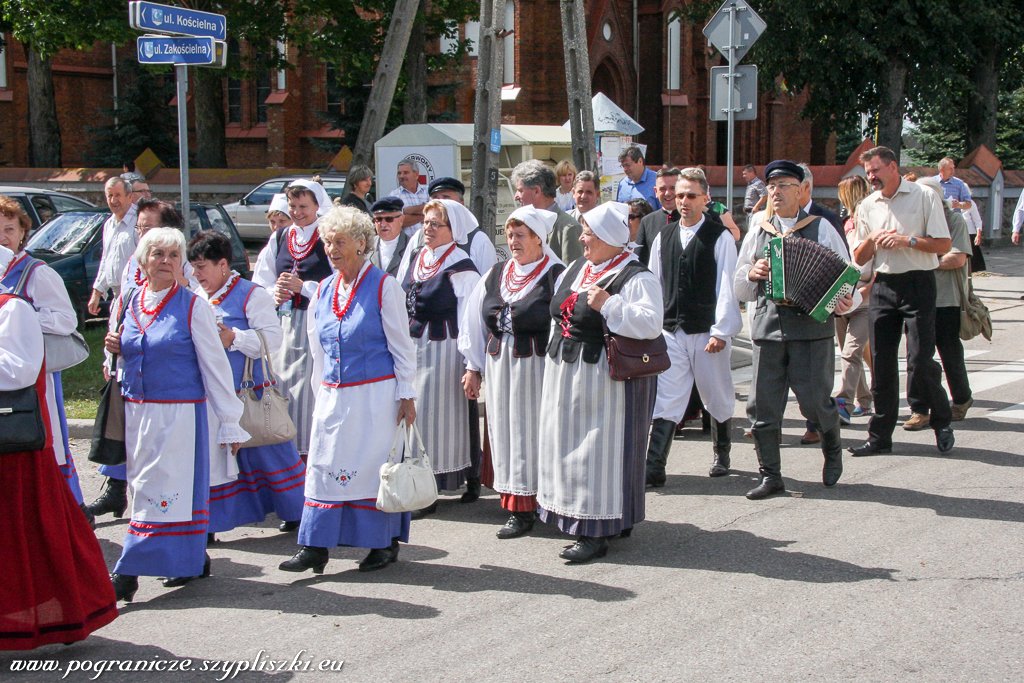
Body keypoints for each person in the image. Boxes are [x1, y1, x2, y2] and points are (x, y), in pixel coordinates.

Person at [104, 228, 248, 602]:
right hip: (138, 414)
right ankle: (191, 556)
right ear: (142, 260)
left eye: (173, 254)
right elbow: (127, 352)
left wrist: (230, 422)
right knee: (146, 490)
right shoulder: (131, 300)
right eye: (157, 254)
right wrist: (117, 349)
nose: (165, 260)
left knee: (161, 491)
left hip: (180, 417)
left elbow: (215, 366)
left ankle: (128, 571)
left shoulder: (193, 305)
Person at [278, 206, 418, 574]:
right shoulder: (323, 289)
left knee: (373, 471)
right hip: (334, 395)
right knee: (324, 466)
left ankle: (383, 544)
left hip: (376, 397)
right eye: (327, 242)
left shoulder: (383, 285)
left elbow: (402, 347)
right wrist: (319, 397)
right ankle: (314, 546)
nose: (331, 249)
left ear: (361, 244)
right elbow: (317, 350)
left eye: (339, 241)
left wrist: (406, 395)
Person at [538, 202, 663, 562]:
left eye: (589, 233)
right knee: (571, 445)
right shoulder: (578, 268)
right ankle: (596, 517)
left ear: (609, 237)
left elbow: (651, 324)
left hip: (607, 379)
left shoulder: (636, 276)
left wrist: (609, 305)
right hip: (568, 371)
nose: (582, 238)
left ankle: (595, 532)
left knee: (597, 451)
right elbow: (558, 313)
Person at [0, 275, 118, 650]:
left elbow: (19, 370)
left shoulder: (13, 308)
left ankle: (62, 613)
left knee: (33, 538)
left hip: (12, 450)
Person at [734, 160, 856, 500]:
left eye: (785, 185)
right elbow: (740, 287)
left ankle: (832, 449)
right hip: (767, 330)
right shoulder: (759, 229)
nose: (776, 192)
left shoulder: (822, 227)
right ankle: (771, 476)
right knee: (762, 408)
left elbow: (849, 280)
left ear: (802, 190)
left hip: (811, 331)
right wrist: (752, 274)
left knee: (815, 405)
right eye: (772, 186)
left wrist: (845, 301)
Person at [187, 230, 306, 537]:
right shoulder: (195, 298)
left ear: (223, 264)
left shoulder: (251, 294)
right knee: (215, 459)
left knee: (268, 451)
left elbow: (273, 339)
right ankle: (210, 524)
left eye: (202, 266)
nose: (196, 273)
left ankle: (296, 512)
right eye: (193, 267)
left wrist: (234, 338)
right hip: (212, 395)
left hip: (250, 393)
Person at [87, 198, 199, 522]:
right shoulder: (134, 265)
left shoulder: (180, 267)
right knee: (122, 431)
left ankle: (176, 520)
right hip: (128, 366)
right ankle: (115, 492)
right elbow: (120, 309)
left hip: (166, 379)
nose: (141, 233)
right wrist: (112, 348)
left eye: (148, 227)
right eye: (139, 228)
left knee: (159, 462)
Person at [459, 206, 565, 539]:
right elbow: (474, 323)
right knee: (505, 431)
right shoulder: (495, 273)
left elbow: (563, 325)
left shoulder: (557, 274)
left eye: (520, 235)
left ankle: (538, 503)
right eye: (509, 235)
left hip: (538, 368)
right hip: (500, 366)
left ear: (539, 238)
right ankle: (516, 503)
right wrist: (473, 368)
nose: (513, 241)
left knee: (533, 432)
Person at [850, 146, 954, 457]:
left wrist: (906, 240)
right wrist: (872, 238)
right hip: (883, 285)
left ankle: (942, 420)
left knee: (920, 362)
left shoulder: (923, 196)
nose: (871, 178)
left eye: (876, 171)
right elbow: (859, 257)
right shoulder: (867, 205)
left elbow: (943, 244)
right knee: (881, 365)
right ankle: (880, 436)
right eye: (868, 173)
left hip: (918, 282)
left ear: (893, 167)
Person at [645, 168, 741, 486]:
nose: (682, 200)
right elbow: (654, 284)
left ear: (705, 198)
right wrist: (652, 326)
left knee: (716, 391)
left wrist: (721, 330)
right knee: (668, 396)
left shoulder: (720, 236)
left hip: (705, 328)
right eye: (679, 194)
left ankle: (722, 453)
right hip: (671, 329)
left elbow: (726, 284)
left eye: (690, 195)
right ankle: (655, 465)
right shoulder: (664, 236)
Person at [0, 199, 86, 513]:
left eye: (9, 228)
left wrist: (20, 318)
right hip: (4, 371)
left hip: (35, 373)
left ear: (23, 232)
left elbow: (66, 319)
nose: (3, 237)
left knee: (40, 434)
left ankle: (66, 507)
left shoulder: (36, 272)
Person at [396, 199, 481, 515]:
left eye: (435, 224)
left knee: (435, 416)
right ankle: (417, 478)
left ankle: (432, 486)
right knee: (413, 410)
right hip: (414, 346)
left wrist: (471, 364)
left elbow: (470, 318)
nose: (427, 228)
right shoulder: (418, 256)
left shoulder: (461, 266)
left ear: (453, 230)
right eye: (426, 222)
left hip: (445, 348)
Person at [252, 179, 334, 458]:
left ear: (317, 207)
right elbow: (260, 279)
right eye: (293, 206)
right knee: (280, 385)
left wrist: (305, 288)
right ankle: (282, 450)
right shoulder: (279, 238)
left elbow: (342, 283)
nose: (297, 212)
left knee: (308, 387)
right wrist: (272, 291)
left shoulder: (328, 237)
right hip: (282, 324)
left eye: (304, 206)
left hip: (315, 322)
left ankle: (309, 451)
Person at [905, 178, 974, 424]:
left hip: (946, 299)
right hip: (916, 296)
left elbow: (957, 258)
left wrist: (925, 260)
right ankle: (919, 409)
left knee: (949, 352)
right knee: (916, 355)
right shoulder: (914, 222)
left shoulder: (954, 220)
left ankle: (961, 398)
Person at [834, 175, 875, 418]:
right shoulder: (844, 223)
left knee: (852, 351)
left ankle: (844, 403)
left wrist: (867, 290)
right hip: (842, 296)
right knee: (851, 353)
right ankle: (866, 399)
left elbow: (881, 264)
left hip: (865, 298)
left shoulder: (871, 226)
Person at [512, 159, 583, 263]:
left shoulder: (568, 229)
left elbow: (572, 276)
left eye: (520, 190)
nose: (516, 197)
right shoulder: (525, 225)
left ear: (536, 191)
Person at [426, 176, 498, 275]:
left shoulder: (478, 240)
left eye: (446, 198)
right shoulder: (419, 237)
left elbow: (488, 283)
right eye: (435, 198)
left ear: (461, 204)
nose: (440, 203)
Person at [88, 177, 138, 315]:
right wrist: (97, 293)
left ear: (129, 197)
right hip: (116, 296)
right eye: (110, 196)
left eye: (118, 195)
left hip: (137, 295)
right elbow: (106, 260)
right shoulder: (109, 224)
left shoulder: (140, 221)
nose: (113, 200)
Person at [797, 163, 848, 255]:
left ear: (806, 187)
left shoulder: (830, 218)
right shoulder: (780, 219)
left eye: (792, 185)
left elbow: (843, 260)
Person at [634, 167, 680, 264]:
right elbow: (639, 260)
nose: (667, 193)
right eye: (662, 189)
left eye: (673, 188)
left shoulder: (692, 219)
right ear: (656, 192)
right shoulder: (647, 222)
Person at [368, 197, 409, 276]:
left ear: (401, 220)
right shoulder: (367, 246)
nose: (383, 224)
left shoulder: (412, 246)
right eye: (378, 219)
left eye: (389, 219)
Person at [388, 159, 430, 236]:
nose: (401, 176)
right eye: (399, 173)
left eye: (406, 173)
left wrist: (407, 211)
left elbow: (437, 213)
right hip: (407, 245)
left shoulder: (428, 191)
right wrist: (426, 214)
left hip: (430, 242)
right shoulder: (394, 196)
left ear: (416, 174)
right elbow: (399, 222)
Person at [962, 198, 986, 272]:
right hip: (956, 232)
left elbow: (977, 220)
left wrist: (978, 235)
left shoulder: (971, 203)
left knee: (971, 260)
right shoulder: (950, 202)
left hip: (969, 233)